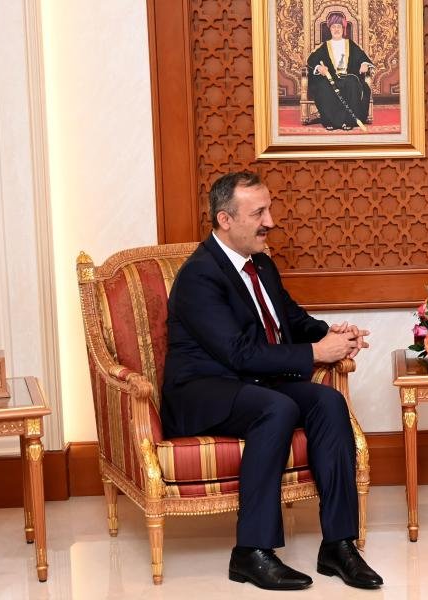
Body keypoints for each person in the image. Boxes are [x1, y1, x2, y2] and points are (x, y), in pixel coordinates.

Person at [161, 171, 383, 591]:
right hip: (203, 391)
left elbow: (291, 319)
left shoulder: (260, 263)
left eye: (269, 209)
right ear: (225, 219)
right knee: (276, 408)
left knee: (327, 401)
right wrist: (316, 353)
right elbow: (238, 353)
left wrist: (333, 336)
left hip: (253, 383)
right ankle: (251, 552)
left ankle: (338, 544)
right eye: (259, 213)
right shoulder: (199, 276)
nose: (271, 222)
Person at [306, 12, 373, 131]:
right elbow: (311, 60)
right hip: (330, 78)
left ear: (343, 29)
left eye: (339, 27)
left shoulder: (350, 44)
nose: (336, 29)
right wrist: (319, 67)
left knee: (352, 83)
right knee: (323, 86)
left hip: (348, 77)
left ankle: (349, 121)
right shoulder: (324, 46)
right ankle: (330, 122)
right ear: (330, 29)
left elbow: (363, 58)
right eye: (333, 27)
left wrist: (364, 64)